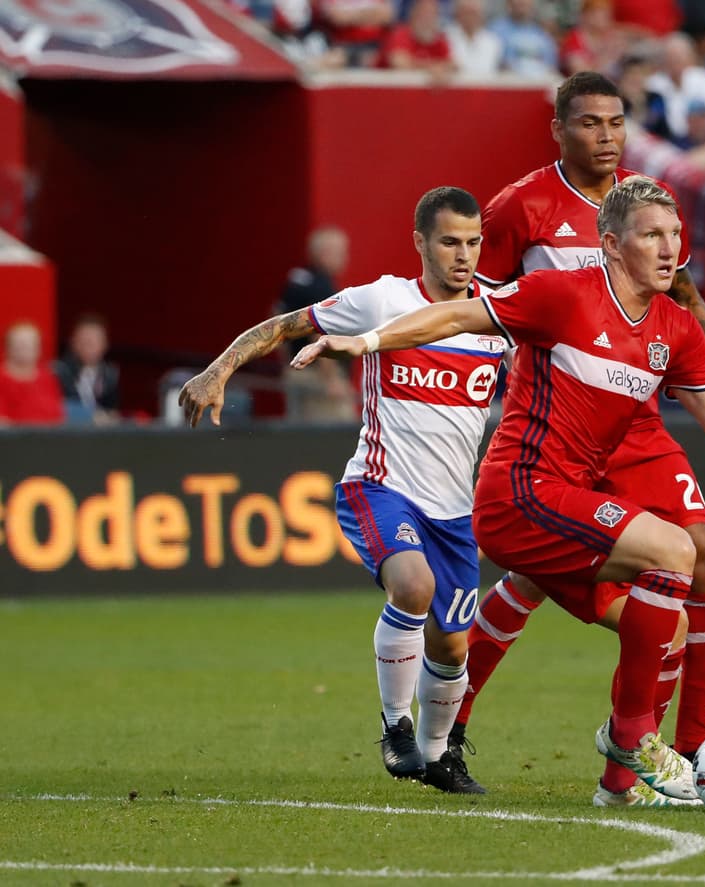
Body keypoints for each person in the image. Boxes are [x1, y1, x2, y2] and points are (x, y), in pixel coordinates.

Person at [292, 175, 705, 806]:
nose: (668, 248)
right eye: (651, 234)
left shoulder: (675, 328)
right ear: (609, 243)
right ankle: (630, 736)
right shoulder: (564, 294)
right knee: (675, 551)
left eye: (675, 234)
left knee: (670, 628)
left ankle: (619, 787)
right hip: (519, 493)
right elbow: (461, 311)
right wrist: (370, 339)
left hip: (564, 508)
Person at [464, 72, 705, 807]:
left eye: (616, 122)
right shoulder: (521, 207)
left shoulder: (644, 209)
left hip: (638, 420)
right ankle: (448, 725)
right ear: (560, 129)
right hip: (560, 415)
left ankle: (687, 750)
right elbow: (476, 303)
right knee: (544, 573)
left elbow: (685, 305)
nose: (606, 135)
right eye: (591, 122)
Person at [177, 188, 504, 793]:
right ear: (421, 243)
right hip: (381, 486)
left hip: (457, 510)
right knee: (413, 584)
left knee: (453, 647)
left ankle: (437, 758)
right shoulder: (383, 300)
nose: (464, 255)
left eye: (473, 242)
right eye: (449, 242)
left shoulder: (498, 315)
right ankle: (395, 727)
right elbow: (285, 326)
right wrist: (219, 368)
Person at [277, 227, 359, 423]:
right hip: (320, 379)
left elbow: (275, 320)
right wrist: (332, 380)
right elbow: (320, 335)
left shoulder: (296, 281)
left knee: (300, 437)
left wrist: (288, 362)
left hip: (295, 373)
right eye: (341, 253)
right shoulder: (321, 288)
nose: (346, 258)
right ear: (325, 254)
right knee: (334, 438)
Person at [54, 313, 121, 425]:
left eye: (94, 340)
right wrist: (90, 416)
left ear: (105, 344)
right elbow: (57, 408)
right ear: (73, 342)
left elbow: (113, 412)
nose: (89, 344)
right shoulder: (59, 372)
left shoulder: (110, 375)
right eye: (84, 339)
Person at [0, 321, 65, 426]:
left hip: (50, 438)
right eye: (20, 344)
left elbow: (59, 416)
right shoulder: (2, 378)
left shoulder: (48, 378)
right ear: (8, 347)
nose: (25, 348)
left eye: (31, 344)